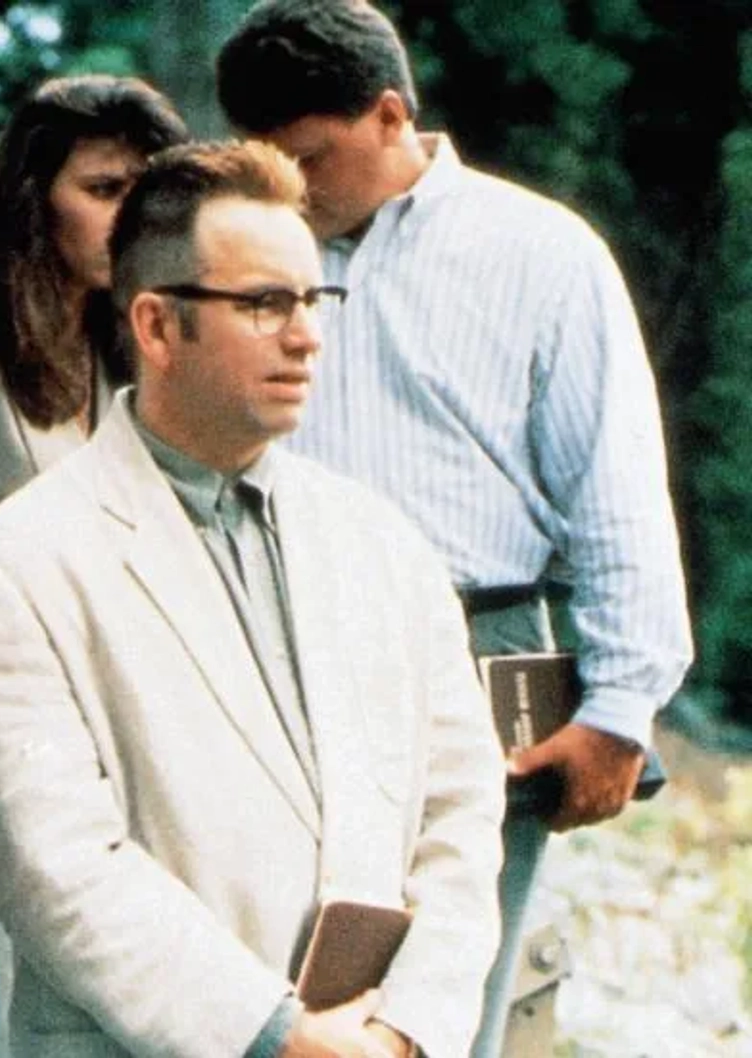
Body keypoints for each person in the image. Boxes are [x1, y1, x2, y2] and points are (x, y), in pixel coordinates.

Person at [0, 140, 507, 1057]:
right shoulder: (16, 564)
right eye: (264, 303)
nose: (307, 332)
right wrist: (277, 1033)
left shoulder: (385, 545)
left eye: (315, 297)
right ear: (157, 327)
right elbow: (58, 868)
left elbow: (460, 811)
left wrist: (407, 1028)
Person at [215, 3, 693, 1053]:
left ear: (391, 115)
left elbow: (614, 486)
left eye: (312, 157)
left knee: (443, 989)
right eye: (271, 165)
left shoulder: (540, 253)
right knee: (273, 983)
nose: (295, 189)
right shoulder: (242, 257)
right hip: (271, 643)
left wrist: (621, 705)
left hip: (483, 649)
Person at [0, 74, 189, 525]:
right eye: (104, 190)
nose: (130, 217)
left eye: (143, 193)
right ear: (33, 200)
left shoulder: (131, 356)